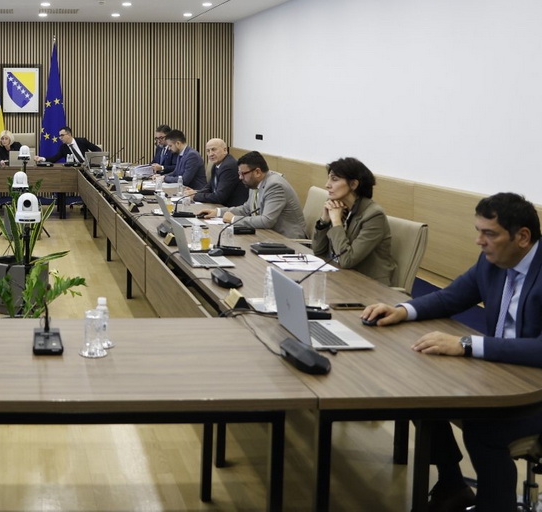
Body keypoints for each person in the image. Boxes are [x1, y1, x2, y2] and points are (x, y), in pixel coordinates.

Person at [362, 193, 542, 512]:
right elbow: (450, 297)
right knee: (422, 392)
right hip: (502, 373)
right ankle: (452, 485)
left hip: (535, 389)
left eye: (489, 234)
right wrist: (403, 310)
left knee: (483, 428)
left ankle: (495, 506)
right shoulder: (492, 262)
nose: (479, 241)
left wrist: (466, 344)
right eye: (478, 231)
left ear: (523, 237)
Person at [311, 157, 395, 285]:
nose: (327, 185)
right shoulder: (338, 207)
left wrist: (336, 222)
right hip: (340, 277)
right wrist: (324, 221)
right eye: (328, 178)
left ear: (354, 184)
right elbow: (317, 250)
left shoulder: (374, 215)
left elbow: (347, 260)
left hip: (368, 285)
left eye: (334, 179)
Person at [204, 151, 307, 239]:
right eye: (239, 173)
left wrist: (233, 219)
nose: (240, 177)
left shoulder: (275, 186)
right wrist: (218, 212)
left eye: (243, 174)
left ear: (257, 172)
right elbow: (246, 209)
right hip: (268, 236)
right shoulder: (255, 183)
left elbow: (267, 221)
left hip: (288, 240)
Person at [186, 138, 248, 207]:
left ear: (225, 150)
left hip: (230, 208)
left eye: (213, 149)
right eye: (208, 151)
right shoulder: (217, 164)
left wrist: (195, 196)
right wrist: (195, 192)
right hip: (220, 205)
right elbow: (210, 187)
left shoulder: (228, 166)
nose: (210, 154)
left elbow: (219, 197)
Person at [36, 126, 101, 164]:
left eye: (62, 135)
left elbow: (98, 150)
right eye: (59, 136)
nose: (60, 138)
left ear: (69, 134)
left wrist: (91, 161)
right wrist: (42, 158)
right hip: (76, 170)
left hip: (88, 168)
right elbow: (54, 159)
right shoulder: (63, 148)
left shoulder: (82, 141)